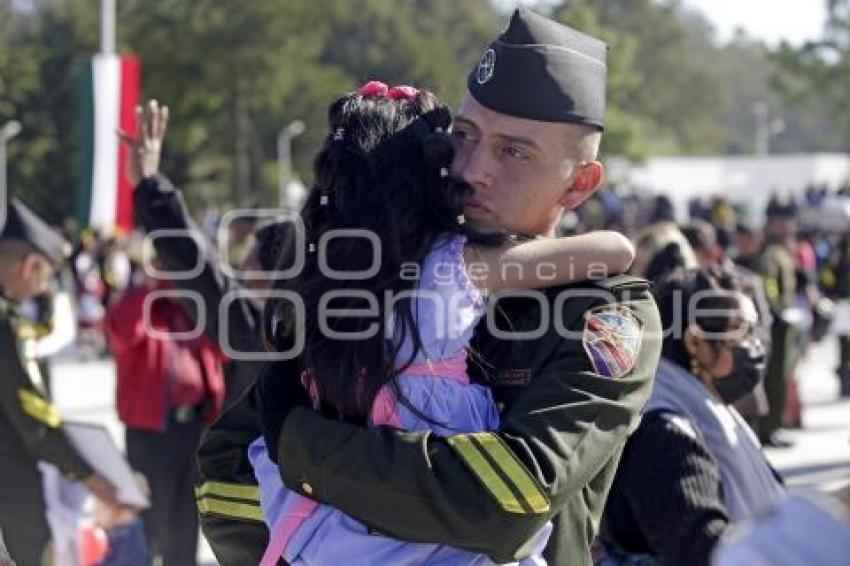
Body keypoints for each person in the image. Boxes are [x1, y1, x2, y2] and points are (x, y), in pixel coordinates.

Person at [198, 8, 662, 565]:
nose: (471, 169)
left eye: (514, 151)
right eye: (463, 136)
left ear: (580, 183)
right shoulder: (387, 269)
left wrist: (301, 447)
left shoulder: (602, 311)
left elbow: (503, 502)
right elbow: (225, 471)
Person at [598, 266, 784, 566]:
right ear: (695, 342)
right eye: (743, 331)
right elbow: (703, 550)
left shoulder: (700, 408)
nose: (755, 345)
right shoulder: (665, 433)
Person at [119, 100, 292, 409]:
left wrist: (148, 184)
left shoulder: (274, 338)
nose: (244, 274)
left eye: (250, 265)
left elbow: (203, 274)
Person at [0, 198, 121, 565]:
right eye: (46, 276)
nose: (42, 289)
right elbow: (33, 415)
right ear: (29, 265)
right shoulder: (7, 325)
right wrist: (89, 476)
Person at [104, 250, 226, 566]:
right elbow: (120, 330)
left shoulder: (193, 310)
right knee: (149, 518)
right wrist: (150, 288)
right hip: (151, 433)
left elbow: (224, 348)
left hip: (193, 428)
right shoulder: (141, 305)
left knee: (186, 519)